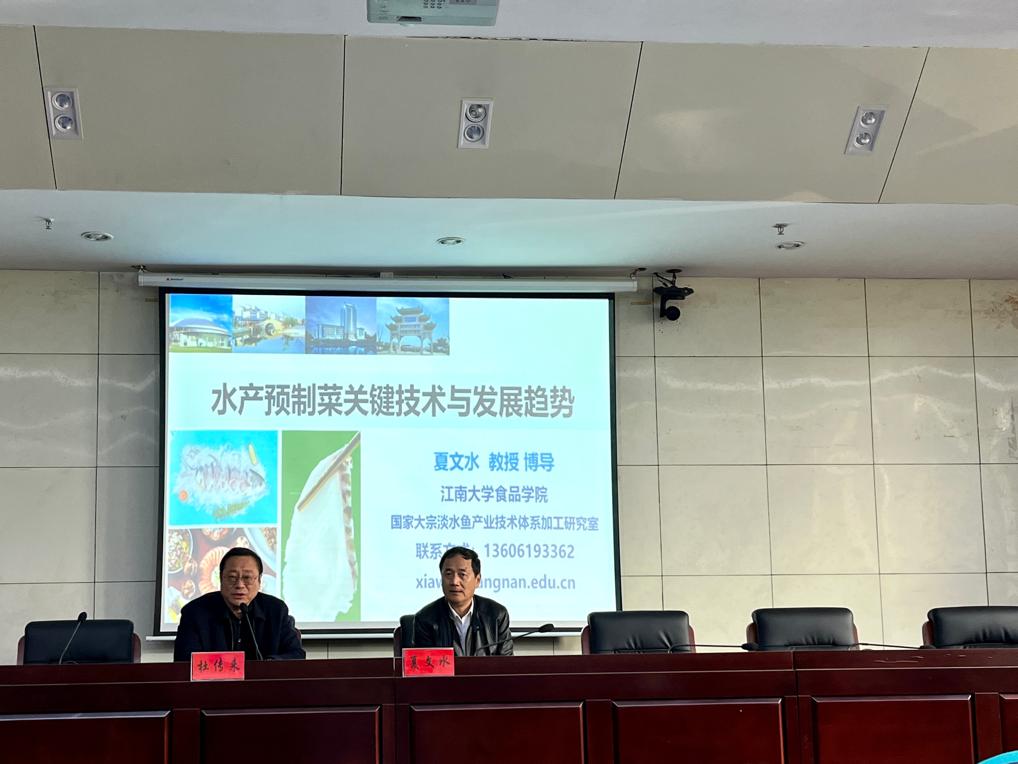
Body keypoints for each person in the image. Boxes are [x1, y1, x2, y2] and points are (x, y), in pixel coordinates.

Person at [173, 547, 305, 661]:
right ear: (221, 579)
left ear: (259, 581)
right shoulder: (194, 613)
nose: (239, 585)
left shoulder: (276, 610)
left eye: (247, 578)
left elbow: (296, 655)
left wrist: (268, 665)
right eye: (232, 577)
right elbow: (184, 661)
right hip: (213, 683)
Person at [413, 546, 513, 656]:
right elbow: (425, 663)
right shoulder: (425, 619)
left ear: (477, 580)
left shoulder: (496, 615)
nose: (454, 582)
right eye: (448, 574)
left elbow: (506, 662)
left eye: (462, 574)